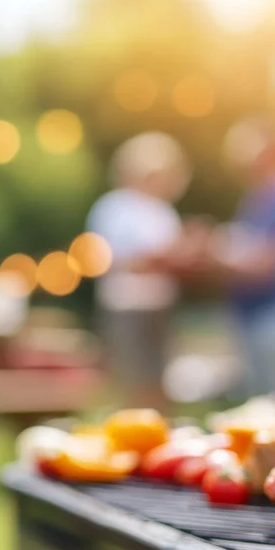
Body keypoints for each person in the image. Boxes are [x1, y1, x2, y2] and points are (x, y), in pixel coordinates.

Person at [202, 117, 275, 405]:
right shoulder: (261, 198)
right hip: (259, 322)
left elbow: (269, 265)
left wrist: (214, 254)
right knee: (264, 408)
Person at [87, 131, 191, 411]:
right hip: (126, 306)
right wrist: (153, 259)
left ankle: (157, 424)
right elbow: (106, 258)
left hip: (160, 304)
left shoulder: (163, 211)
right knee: (131, 376)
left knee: (159, 376)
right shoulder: (114, 207)